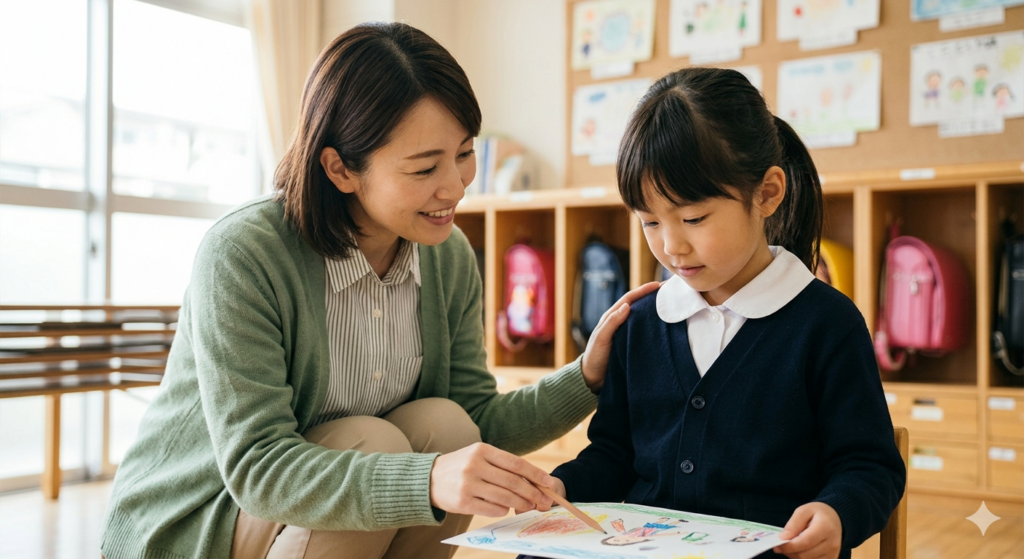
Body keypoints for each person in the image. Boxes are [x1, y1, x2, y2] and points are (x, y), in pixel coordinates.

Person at [100, 23, 658, 559]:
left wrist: (588, 375)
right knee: (374, 442)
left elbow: (477, 421)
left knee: (447, 427)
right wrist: (427, 479)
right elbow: (258, 468)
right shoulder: (245, 253)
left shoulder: (447, 255)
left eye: (464, 154)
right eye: (424, 169)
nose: (456, 187)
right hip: (204, 520)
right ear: (340, 169)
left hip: (302, 521)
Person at [520, 68, 906, 559]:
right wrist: (563, 486)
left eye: (693, 218)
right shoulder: (642, 323)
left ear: (767, 193)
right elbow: (614, 455)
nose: (671, 246)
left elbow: (870, 466)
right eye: (650, 222)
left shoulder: (827, 324)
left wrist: (836, 513)